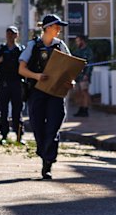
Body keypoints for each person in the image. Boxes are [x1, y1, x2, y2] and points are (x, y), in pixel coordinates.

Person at [18, 14, 74, 180]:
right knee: (37, 125)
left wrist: (71, 81)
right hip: (37, 91)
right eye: (56, 26)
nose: (59, 30)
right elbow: (21, 69)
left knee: (54, 125)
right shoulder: (33, 45)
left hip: (56, 92)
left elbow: (70, 68)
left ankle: (48, 162)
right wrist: (36, 76)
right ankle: (43, 152)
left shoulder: (60, 45)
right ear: (48, 28)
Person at [0, 26, 25, 144]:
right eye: (8, 33)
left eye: (13, 34)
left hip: (17, 83)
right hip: (3, 83)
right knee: (3, 110)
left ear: (17, 35)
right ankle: (4, 135)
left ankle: (19, 136)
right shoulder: (0, 49)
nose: (10, 36)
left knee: (17, 110)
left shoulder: (21, 50)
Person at [71, 34, 93, 117]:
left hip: (84, 75)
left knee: (84, 92)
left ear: (82, 41)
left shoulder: (88, 51)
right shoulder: (77, 51)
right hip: (78, 75)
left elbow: (90, 63)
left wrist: (87, 74)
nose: (77, 43)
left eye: (78, 41)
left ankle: (85, 109)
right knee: (79, 93)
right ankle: (81, 108)